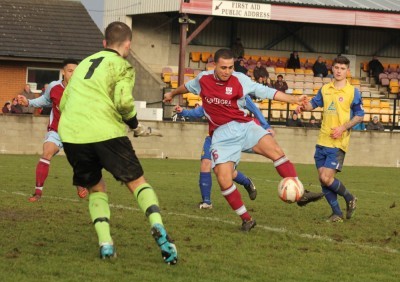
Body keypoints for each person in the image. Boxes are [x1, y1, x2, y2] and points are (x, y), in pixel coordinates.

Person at [58, 21, 177, 264]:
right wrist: (134, 125)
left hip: (71, 134)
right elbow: (123, 103)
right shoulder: (122, 66)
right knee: (137, 183)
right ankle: (159, 231)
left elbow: (63, 103)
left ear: (104, 43)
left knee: (95, 187)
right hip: (106, 131)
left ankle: (105, 244)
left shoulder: (81, 67)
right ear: (128, 45)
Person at [164, 48, 316, 232]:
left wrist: (294, 99)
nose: (227, 71)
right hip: (221, 135)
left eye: (230, 67)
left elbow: (267, 92)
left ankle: (300, 191)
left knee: (276, 151)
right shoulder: (203, 79)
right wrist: (172, 94)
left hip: (244, 126)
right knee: (224, 178)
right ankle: (247, 219)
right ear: (215, 65)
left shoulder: (240, 80)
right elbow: (187, 87)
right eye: (223, 67)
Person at [297, 55, 364, 223]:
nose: (339, 71)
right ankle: (337, 214)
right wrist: (303, 107)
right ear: (332, 69)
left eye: (343, 68)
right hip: (322, 140)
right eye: (337, 68)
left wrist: (343, 127)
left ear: (347, 71)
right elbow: (313, 104)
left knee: (327, 178)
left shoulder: (353, 92)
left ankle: (350, 198)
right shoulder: (325, 89)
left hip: (338, 142)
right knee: (323, 179)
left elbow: (360, 116)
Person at [17, 59, 88, 202]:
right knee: (47, 152)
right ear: (63, 73)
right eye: (70, 71)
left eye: (76, 71)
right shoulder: (54, 87)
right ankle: (37, 192)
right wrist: (29, 102)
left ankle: (80, 184)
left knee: (78, 161)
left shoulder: (84, 90)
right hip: (56, 130)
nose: (73, 74)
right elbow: (45, 100)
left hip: (75, 133)